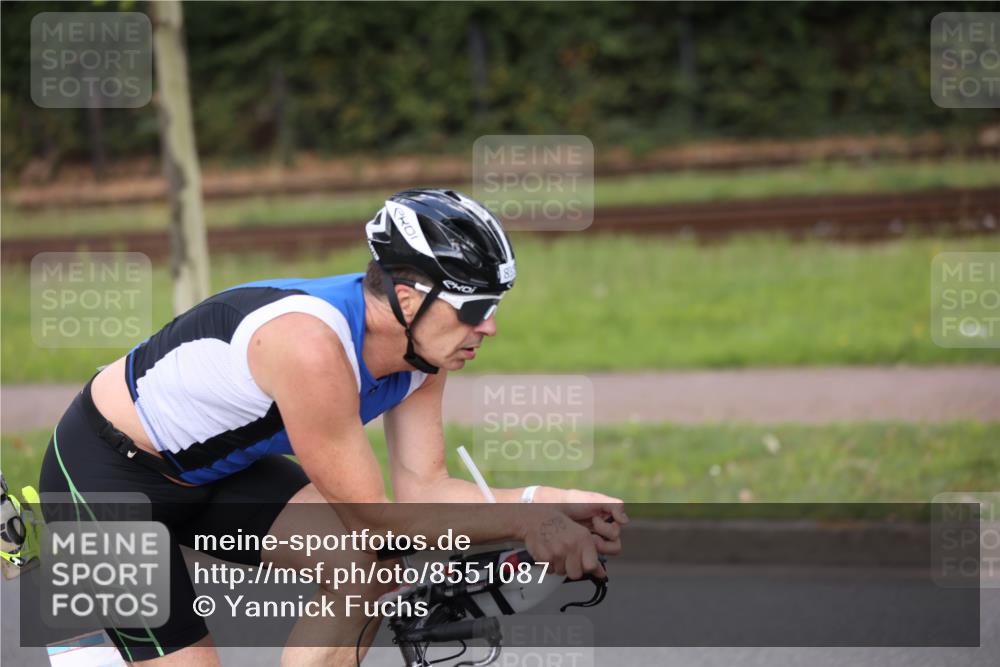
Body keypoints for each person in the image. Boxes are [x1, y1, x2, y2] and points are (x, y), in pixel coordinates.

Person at [38, 188, 626, 666]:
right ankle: (84, 628)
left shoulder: (424, 353)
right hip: (105, 479)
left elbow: (425, 490)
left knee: (366, 563)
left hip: (216, 474)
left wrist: (557, 502)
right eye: (474, 308)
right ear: (406, 297)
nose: (490, 327)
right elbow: (375, 517)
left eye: (495, 306)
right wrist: (528, 521)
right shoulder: (311, 347)